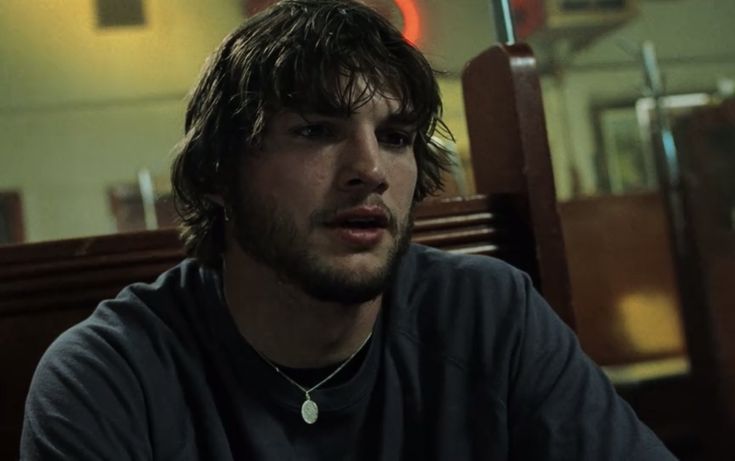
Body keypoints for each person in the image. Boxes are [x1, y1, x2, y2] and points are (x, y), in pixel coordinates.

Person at [21, 0, 676, 459]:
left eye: (394, 137)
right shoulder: (110, 377)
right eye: (315, 131)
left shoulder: (488, 314)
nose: (369, 169)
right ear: (219, 172)